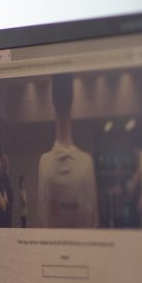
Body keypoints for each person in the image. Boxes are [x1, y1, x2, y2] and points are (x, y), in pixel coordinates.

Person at [37, 73, 98, 228]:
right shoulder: (86, 163)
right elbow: (93, 223)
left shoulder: (45, 164)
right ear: (73, 99)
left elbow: (42, 219)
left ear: (52, 99)